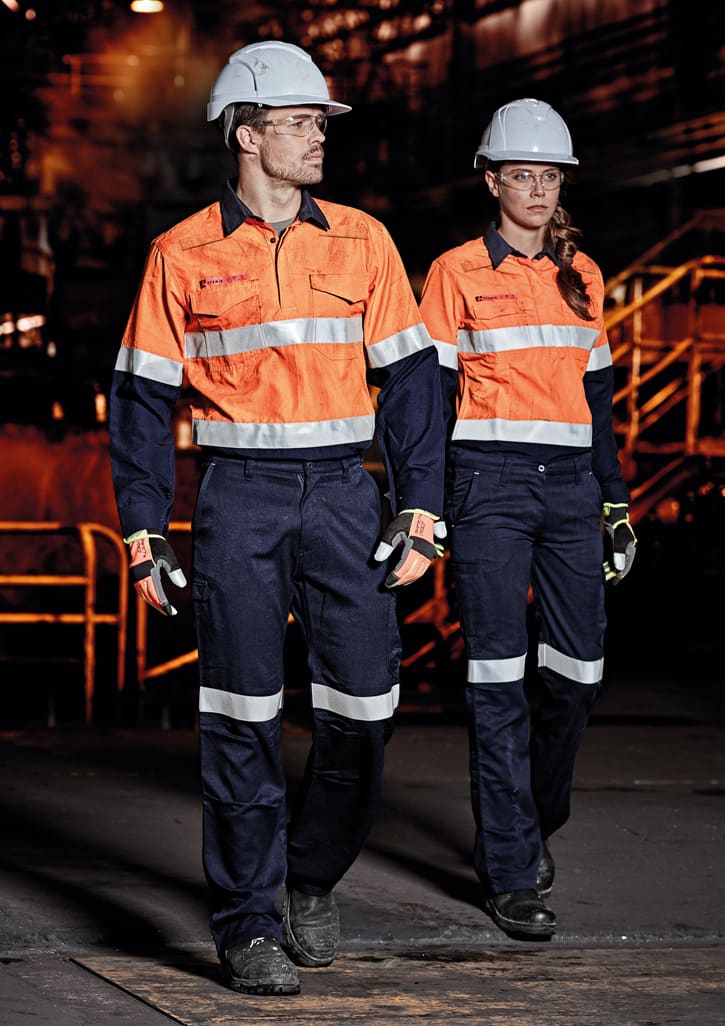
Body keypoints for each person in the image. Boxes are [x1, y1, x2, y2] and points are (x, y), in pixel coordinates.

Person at [109, 41, 445, 996]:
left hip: (345, 495)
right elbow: (139, 400)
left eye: (318, 124)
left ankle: (311, 875)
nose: (318, 137)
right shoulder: (180, 253)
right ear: (247, 135)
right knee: (241, 717)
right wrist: (144, 528)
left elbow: (413, 384)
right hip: (238, 501)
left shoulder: (365, 242)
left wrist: (420, 506)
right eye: (301, 123)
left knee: (364, 712)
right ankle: (247, 921)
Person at [418, 98, 637, 940]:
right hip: (489, 487)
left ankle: (533, 819)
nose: (538, 190)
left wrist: (615, 502)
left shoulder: (584, 276)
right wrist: (425, 501)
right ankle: (510, 870)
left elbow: (599, 400)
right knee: (496, 679)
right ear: (491, 181)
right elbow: (428, 399)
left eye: (549, 176)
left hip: (572, 489)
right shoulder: (453, 273)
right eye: (522, 175)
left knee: (576, 677)